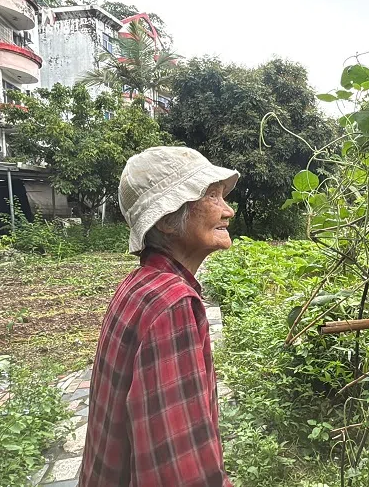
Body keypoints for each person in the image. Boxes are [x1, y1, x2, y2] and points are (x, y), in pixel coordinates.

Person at [79, 146, 238, 487]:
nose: (228, 211)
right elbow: (180, 470)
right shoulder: (173, 304)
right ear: (166, 219)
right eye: (212, 196)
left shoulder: (142, 285)